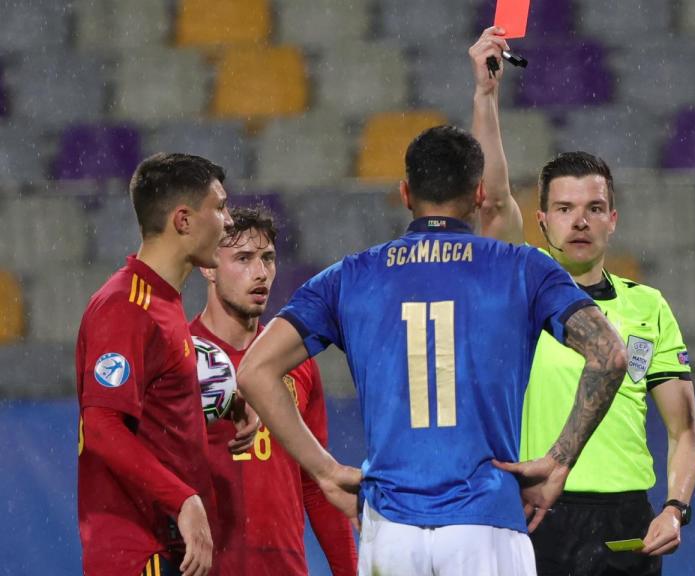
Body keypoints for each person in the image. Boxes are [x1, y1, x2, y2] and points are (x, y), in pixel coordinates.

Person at [235, 125, 629, 576]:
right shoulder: (522, 268)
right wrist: (559, 462)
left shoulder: (351, 276)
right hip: (486, 524)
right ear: (479, 193)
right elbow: (610, 355)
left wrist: (323, 470)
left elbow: (255, 371)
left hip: (390, 529)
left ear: (405, 193)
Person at [469, 28, 695, 576]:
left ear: (612, 221)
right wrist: (485, 96)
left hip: (625, 521)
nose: (580, 220)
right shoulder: (519, 287)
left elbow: (685, 429)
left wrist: (675, 508)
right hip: (535, 512)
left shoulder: (651, 306)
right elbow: (495, 197)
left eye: (594, 207)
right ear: (543, 221)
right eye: (566, 208)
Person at [76, 153, 242, 576]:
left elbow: (158, 413)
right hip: (140, 555)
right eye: (219, 208)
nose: (228, 221)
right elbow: (102, 426)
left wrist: (228, 400)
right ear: (183, 220)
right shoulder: (127, 307)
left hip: (170, 550)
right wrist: (183, 499)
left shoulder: (162, 304)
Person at [190, 206, 358, 575]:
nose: (261, 272)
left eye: (267, 258)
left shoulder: (295, 361)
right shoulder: (179, 360)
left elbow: (316, 485)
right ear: (208, 267)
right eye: (243, 259)